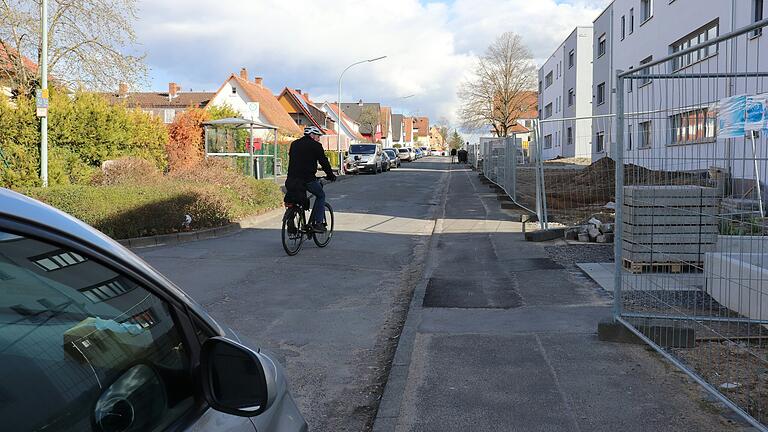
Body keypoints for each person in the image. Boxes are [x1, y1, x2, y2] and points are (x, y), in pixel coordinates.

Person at [286, 126, 336, 233]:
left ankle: (291, 218)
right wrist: (330, 175)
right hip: (307, 179)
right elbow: (324, 162)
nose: (319, 139)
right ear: (312, 135)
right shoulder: (316, 146)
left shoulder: (294, 144)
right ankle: (318, 223)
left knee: (294, 199)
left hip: (292, 179)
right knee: (321, 195)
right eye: (318, 136)